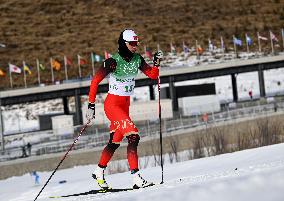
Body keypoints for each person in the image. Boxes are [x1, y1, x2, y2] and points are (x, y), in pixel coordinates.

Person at [87, 29, 163, 189]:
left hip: (124, 107)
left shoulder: (137, 59)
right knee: (134, 137)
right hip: (113, 106)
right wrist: (91, 105)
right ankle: (136, 178)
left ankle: (99, 171)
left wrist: (156, 63)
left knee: (114, 143)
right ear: (123, 44)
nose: (135, 47)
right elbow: (95, 81)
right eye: (132, 44)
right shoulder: (112, 62)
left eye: (137, 44)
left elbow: (153, 75)